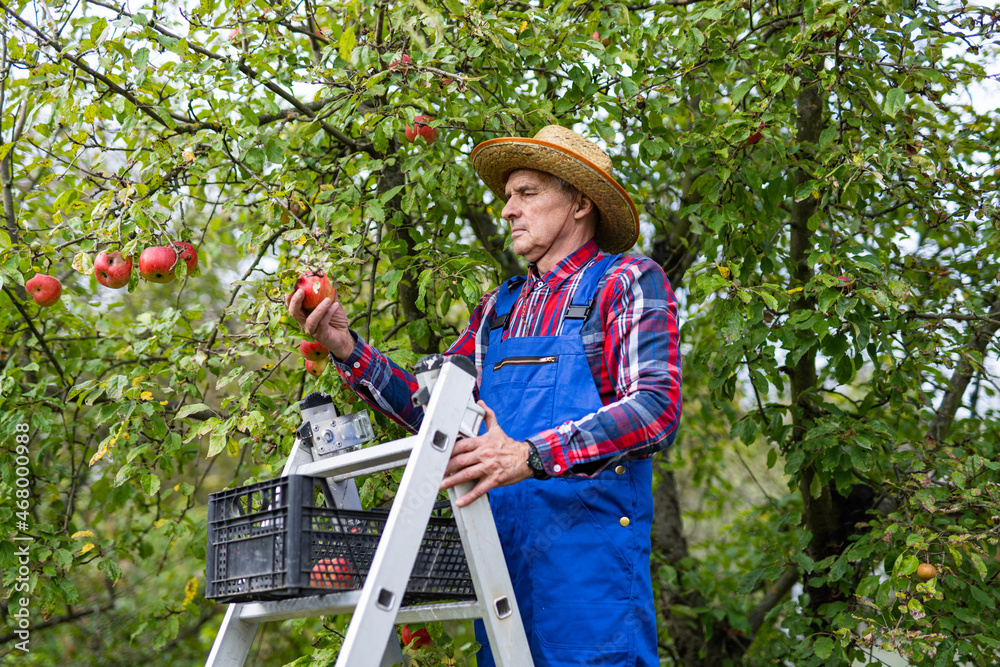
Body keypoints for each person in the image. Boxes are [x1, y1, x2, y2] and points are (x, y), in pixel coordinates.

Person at [286, 124, 682, 666]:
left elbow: (655, 409)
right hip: (499, 564)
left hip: (588, 574)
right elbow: (433, 413)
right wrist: (345, 346)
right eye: (506, 197)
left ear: (580, 203)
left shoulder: (628, 280)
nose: (508, 209)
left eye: (527, 193)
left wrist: (529, 453)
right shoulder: (501, 308)